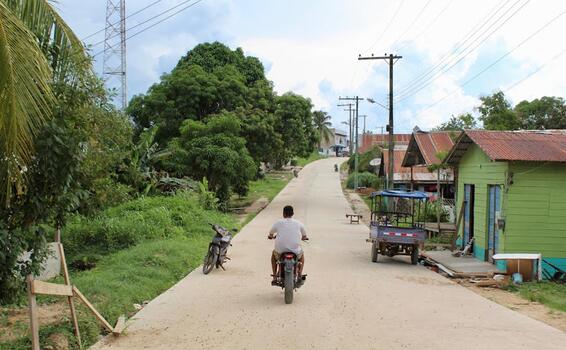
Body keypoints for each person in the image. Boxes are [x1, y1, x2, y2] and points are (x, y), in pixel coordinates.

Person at [268, 205, 308, 285]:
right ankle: (299, 275)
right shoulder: (298, 223)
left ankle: (275, 277)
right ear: (293, 213)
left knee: (273, 256)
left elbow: (271, 233)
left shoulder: (278, 222)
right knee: (302, 256)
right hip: (295, 251)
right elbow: (304, 235)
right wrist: (304, 238)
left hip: (280, 251)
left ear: (283, 213)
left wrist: (271, 236)